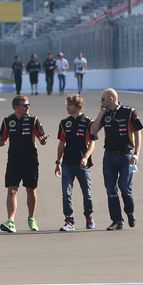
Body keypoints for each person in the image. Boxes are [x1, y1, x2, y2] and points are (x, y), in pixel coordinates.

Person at [0, 95, 48, 232]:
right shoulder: (8, 121)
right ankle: (11, 221)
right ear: (16, 107)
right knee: (12, 190)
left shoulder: (33, 120)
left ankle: (31, 218)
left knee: (31, 190)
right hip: (14, 160)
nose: (28, 107)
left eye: (28, 105)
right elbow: (3, 141)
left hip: (30, 160)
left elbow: (42, 140)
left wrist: (43, 140)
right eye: (25, 105)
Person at [88, 88, 143, 231]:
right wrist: (100, 114)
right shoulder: (105, 114)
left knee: (125, 188)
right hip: (109, 156)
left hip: (126, 156)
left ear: (111, 99)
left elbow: (138, 133)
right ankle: (117, 220)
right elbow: (93, 131)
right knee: (111, 190)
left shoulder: (129, 112)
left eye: (103, 99)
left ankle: (130, 212)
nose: (101, 102)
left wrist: (136, 153)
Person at [55, 92, 97, 231]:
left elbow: (92, 143)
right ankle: (69, 221)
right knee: (66, 194)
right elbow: (61, 144)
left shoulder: (88, 122)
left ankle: (89, 216)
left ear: (78, 106)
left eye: (70, 105)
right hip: (67, 163)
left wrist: (85, 157)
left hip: (82, 164)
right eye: (66, 104)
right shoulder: (64, 122)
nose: (67, 107)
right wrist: (58, 163)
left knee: (87, 194)